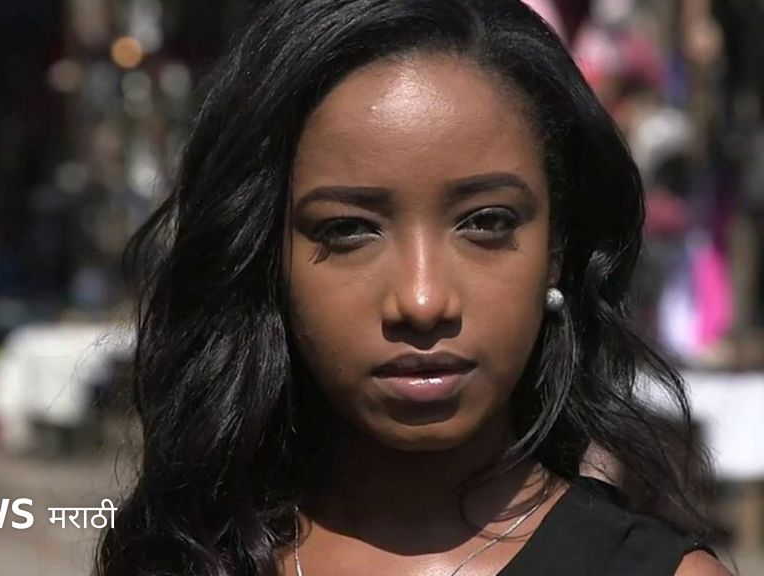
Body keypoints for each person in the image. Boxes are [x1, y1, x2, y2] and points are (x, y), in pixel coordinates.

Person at [98, 1, 731, 574]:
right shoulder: (186, 556)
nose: (422, 301)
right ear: (264, 256)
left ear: (558, 252)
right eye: (348, 230)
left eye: (486, 223)